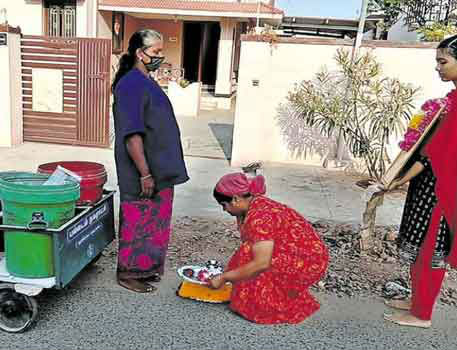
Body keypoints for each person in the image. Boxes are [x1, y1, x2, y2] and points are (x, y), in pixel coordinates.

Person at [385, 34, 457, 328]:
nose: (438, 68)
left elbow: (435, 153)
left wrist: (398, 179)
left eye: (443, 61)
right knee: (420, 243)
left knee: (431, 247)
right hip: (432, 183)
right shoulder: (456, 98)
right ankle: (416, 300)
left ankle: (422, 314)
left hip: (442, 187)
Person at [111, 29, 189, 293]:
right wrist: (145, 173)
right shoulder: (130, 84)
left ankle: (146, 269)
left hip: (161, 169)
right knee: (138, 220)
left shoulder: (146, 80)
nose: (160, 56)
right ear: (139, 53)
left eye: (160, 51)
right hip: (142, 170)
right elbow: (131, 134)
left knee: (156, 221)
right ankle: (128, 273)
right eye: (155, 52)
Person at [208, 173, 329, 324]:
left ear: (236, 199)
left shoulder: (259, 218)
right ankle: (276, 294)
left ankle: (264, 307)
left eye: (224, 206)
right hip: (309, 256)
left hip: (308, 263)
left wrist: (224, 277)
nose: (224, 210)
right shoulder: (256, 202)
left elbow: (261, 263)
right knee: (248, 252)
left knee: (248, 255)